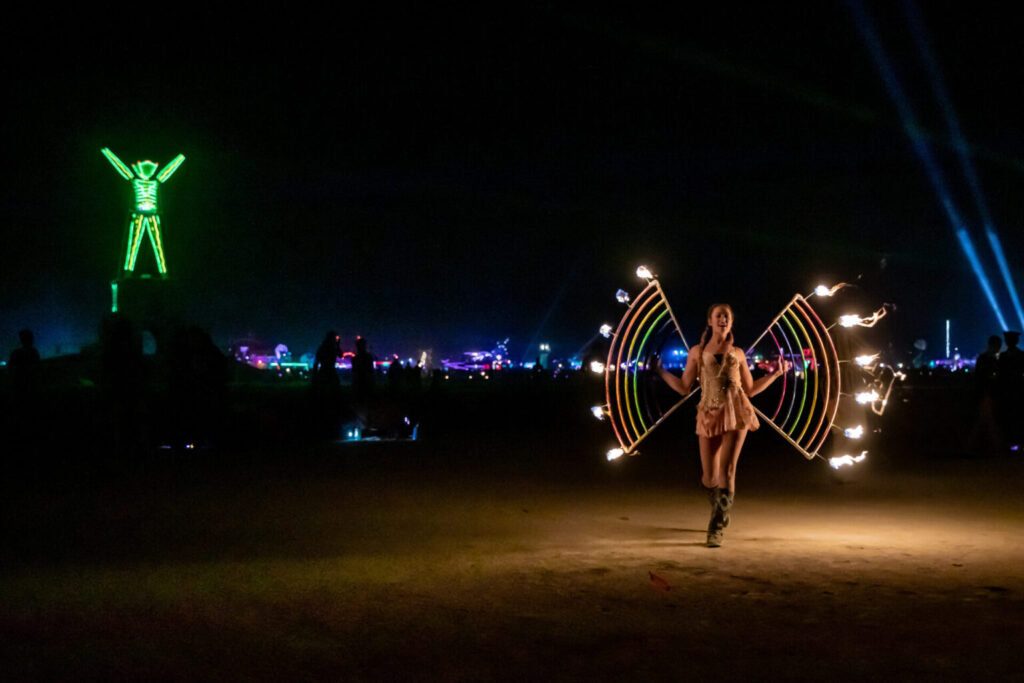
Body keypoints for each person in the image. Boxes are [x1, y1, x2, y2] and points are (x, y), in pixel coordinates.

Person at [655, 303, 788, 547]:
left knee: (728, 470)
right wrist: (661, 372)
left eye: (727, 316)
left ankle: (716, 526)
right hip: (708, 412)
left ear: (731, 322)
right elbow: (685, 387)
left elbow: (749, 389)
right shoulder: (697, 351)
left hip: (737, 412)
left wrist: (774, 375)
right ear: (710, 321)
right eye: (719, 315)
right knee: (709, 477)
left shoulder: (738, 353)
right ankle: (718, 504)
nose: (723, 319)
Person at [968, 335, 1004, 456]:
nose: (999, 348)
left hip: (986, 393)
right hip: (986, 393)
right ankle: (996, 447)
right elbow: (981, 377)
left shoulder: (986, 359)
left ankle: (972, 446)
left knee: (984, 420)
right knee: (988, 420)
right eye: (998, 346)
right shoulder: (987, 359)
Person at [997, 330, 1024, 449]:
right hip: (1016, 390)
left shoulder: (1003, 356)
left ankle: (1010, 443)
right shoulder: (1021, 355)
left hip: (1009, 391)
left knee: (1011, 418)